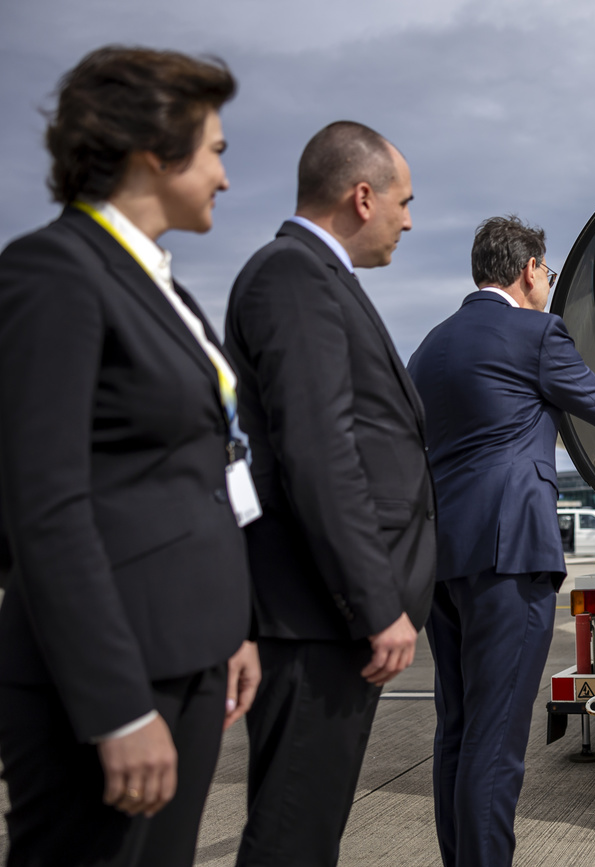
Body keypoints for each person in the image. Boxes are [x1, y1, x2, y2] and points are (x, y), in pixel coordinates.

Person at [0, 46, 260, 866]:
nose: (224, 176)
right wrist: (115, 706)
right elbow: (45, 507)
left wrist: (230, 631)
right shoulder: (53, 272)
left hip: (188, 658)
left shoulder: (162, 288)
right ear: (156, 150)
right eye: (215, 150)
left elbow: (191, 473)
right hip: (112, 676)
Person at [407, 216, 595, 867]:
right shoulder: (535, 333)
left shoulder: (428, 348)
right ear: (529, 269)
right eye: (548, 273)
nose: (548, 283)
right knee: (497, 737)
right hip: (510, 555)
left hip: (442, 560)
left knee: (458, 728)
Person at [223, 121, 437, 867]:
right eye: (404, 203)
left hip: (327, 615)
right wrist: (375, 603)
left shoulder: (319, 277)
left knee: (307, 829)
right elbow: (318, 452)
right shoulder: (293, 274)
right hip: (319, 616)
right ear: (362, 196)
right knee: (294, 834)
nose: (408, 221)